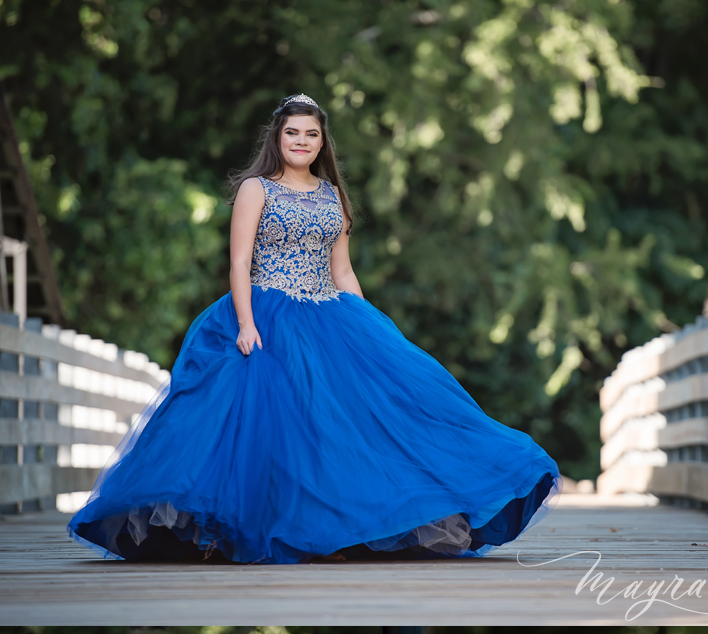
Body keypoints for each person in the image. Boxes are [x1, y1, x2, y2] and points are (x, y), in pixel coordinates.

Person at [68, 93, 558, 563]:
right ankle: (238, 531)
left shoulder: (332, 197)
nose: (301, 141)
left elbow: (341, 270)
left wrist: (373, 334)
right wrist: (245, 323)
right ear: (277, 138)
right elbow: (239, 262)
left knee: (340, 427)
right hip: (267, 313)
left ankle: (340, 529)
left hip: (328, 314)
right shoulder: (256, 189)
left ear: (322, 143)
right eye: (292, 132)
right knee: (266, 427)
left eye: (311, 134)